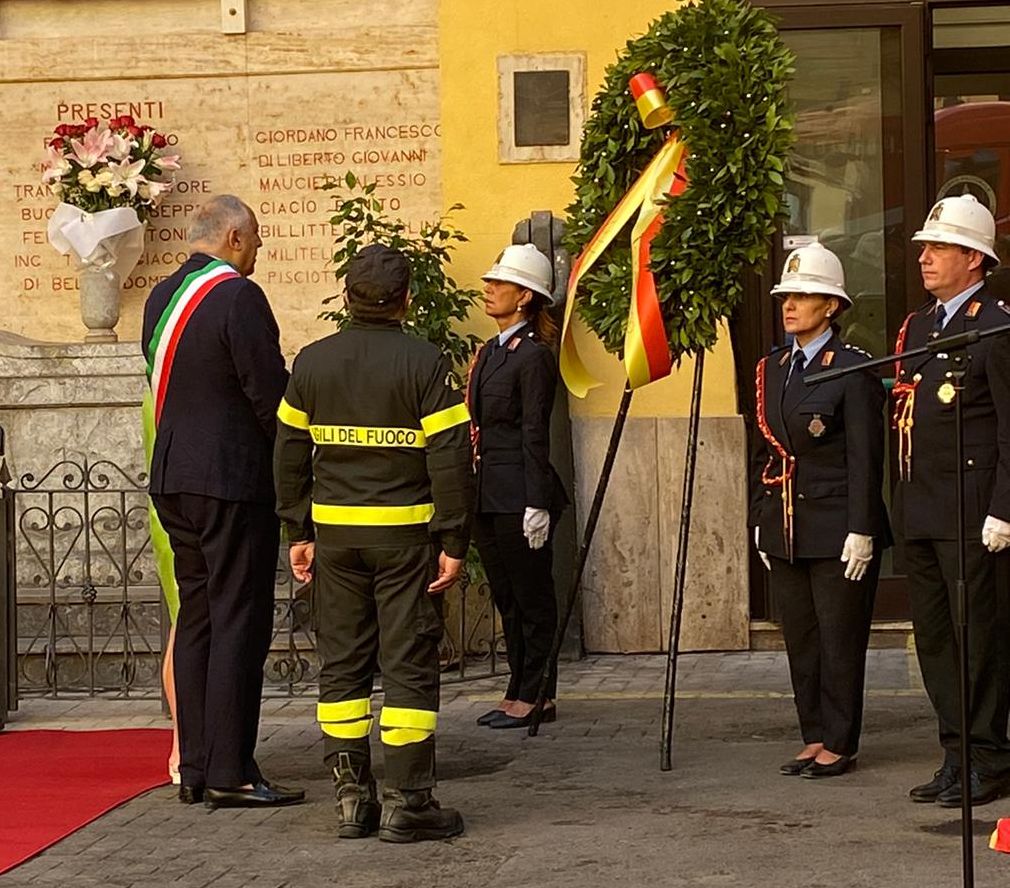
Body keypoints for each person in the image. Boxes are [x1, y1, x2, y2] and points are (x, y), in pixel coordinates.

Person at [274, 243, 473, 842]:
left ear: (347, 296)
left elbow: (288, 454)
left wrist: (297, 532)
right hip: (406, 541)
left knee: (342, 666)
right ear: (406, 300)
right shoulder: (426, 362)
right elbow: (451, 460)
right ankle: (408, 802)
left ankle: (351, 801)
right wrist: (454, 539)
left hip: (334, 542)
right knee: (408, 664)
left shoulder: (311, 363)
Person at [143, 195, 303, 809]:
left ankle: (196, 764)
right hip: (230, 479)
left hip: (174, 476)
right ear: (234, 236)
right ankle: (233, 771)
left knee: (199, 617)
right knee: (240, 617)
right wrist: (299, 459)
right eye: (256, 240)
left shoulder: (162, 297)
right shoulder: (237, 295)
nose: (259, 252)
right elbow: (269, 395)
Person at [750, 242, 891, 779]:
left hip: (836, 525)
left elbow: (865, 459)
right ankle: (812, 733)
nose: (790, 305)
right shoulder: (773, 367)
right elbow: (761, 452)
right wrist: (761, 525)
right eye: (786, 295)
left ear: (831, 306)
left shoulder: (852, 369)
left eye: (804, 295)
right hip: (786, 525)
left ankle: (841, 740)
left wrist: (862, 529)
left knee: (839, 639)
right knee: (801, 639)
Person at [892, 194, 1010, 807]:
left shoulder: (996, 323)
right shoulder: (919, 325)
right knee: (936, 640)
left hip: (972, 511)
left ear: (974, 259)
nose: (926, 258)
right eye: (924, 249)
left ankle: (990, 758)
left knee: (979, 638)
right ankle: (955, 753)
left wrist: (1004, 507)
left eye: (939, 248)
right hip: (924, 508)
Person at [468, 244, 567, 730]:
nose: (489, 289)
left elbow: (534, 432)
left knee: (532, 598)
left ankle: (538, 694)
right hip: (489, 491)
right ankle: (516, 689)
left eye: (499, 284)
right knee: (506, 596)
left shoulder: (533, 357)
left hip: (521, 494)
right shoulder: (490, 352)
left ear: (525, 296)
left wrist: (537, 503)